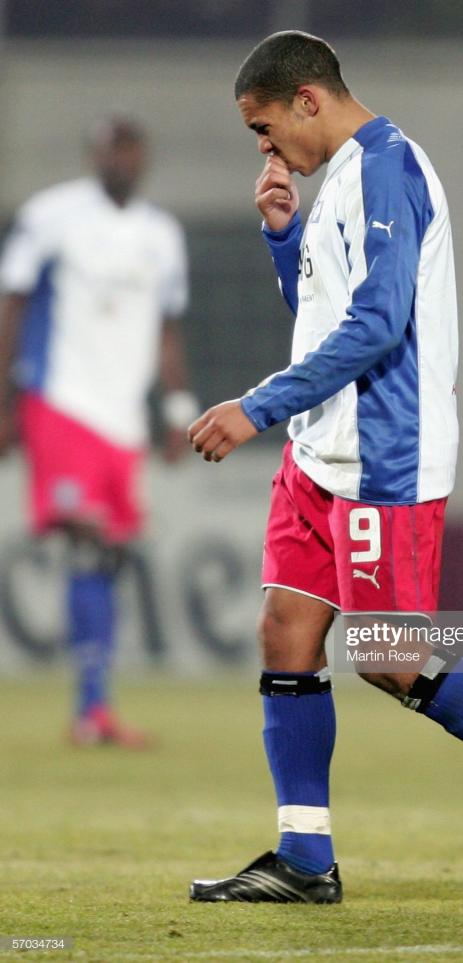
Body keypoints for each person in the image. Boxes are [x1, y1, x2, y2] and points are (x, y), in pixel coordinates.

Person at [187, 31, 463, 905]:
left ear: (308, 99)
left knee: (390, 656)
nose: (265, 150)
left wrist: (255, 406)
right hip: (319, 450)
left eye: (265, 129)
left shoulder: (388, 169)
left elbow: (381, 324)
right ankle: (305, 858)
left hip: (384, 453)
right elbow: (322, 318)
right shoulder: (338, 182)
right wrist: (284, 239)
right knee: (286, 633)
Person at [0, 116, 196, 747]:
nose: (122, 160)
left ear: (144, 158)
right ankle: (92, 710)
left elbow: (167, 328)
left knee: (109, 552)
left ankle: (93, 708)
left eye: (131, 150)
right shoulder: (50, 217)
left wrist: (177, 409)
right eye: (112, 149)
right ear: (94, 155)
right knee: (86, 535)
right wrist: (5, 402)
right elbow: (13, 305)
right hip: (61, 402)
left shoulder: (161, 235)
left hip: (122, 419)